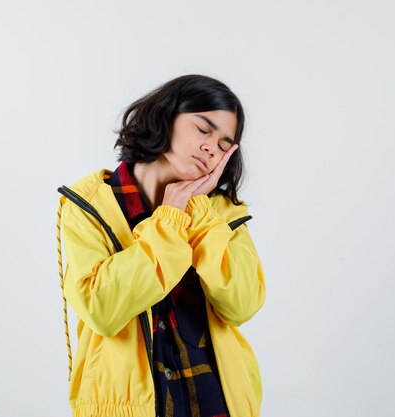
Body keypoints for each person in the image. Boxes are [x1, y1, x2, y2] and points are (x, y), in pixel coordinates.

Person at [55, 74, 266, 417]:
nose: (212, 147)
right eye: (203, 129)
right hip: (126, 407)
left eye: (225, 144)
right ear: (165, 117)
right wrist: (168, 221)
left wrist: (199, 214)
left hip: (216, 402)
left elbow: (241, 305)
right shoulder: (90, 205)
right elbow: (103, 310)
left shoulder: (223, 214)